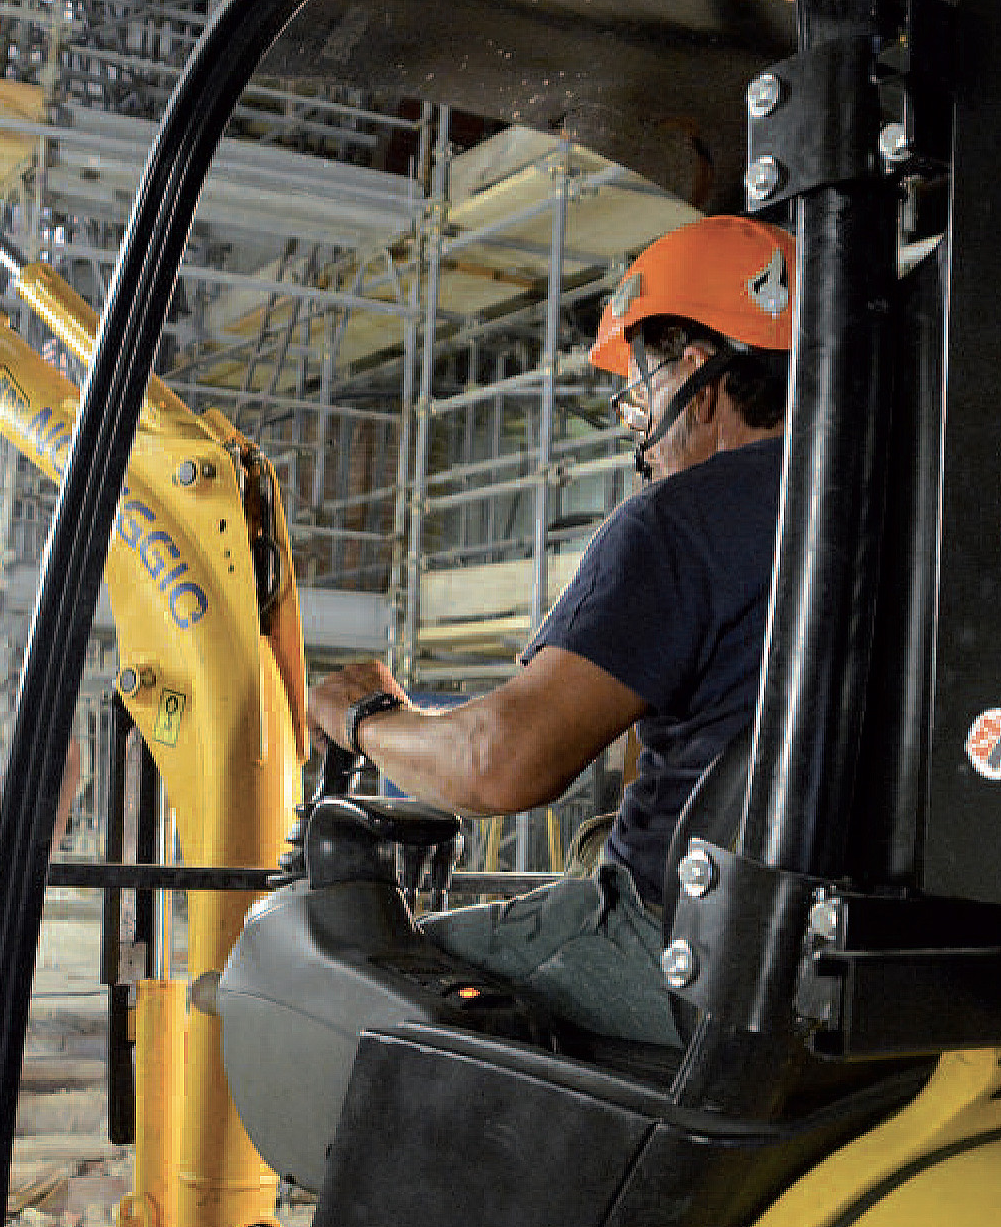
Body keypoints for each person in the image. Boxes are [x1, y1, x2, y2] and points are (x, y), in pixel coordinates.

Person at [303, 214, 795, 1047]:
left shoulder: (688, 515)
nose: (644, 440)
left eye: (639, 398)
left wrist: (367, 717)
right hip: (875, 960)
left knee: (334, 982)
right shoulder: (931, 514)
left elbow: (500, 766)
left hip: (699, 952)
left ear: (694, 370)